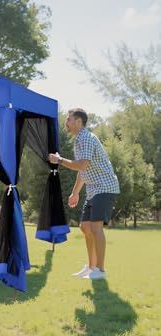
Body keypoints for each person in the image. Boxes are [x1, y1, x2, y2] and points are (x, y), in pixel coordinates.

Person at [48, 108, 119, 280]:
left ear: (79, 121)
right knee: (85, 227)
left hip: (105, 187)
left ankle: (100, 270)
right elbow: (83, 170)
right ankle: (91, 267)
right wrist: (75, 193)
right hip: (93, 190)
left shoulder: (86, 138)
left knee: (95, 227)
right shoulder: (79, 140)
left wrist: (59, 160)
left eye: (69, 119)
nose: (66, 122)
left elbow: (82, 165)